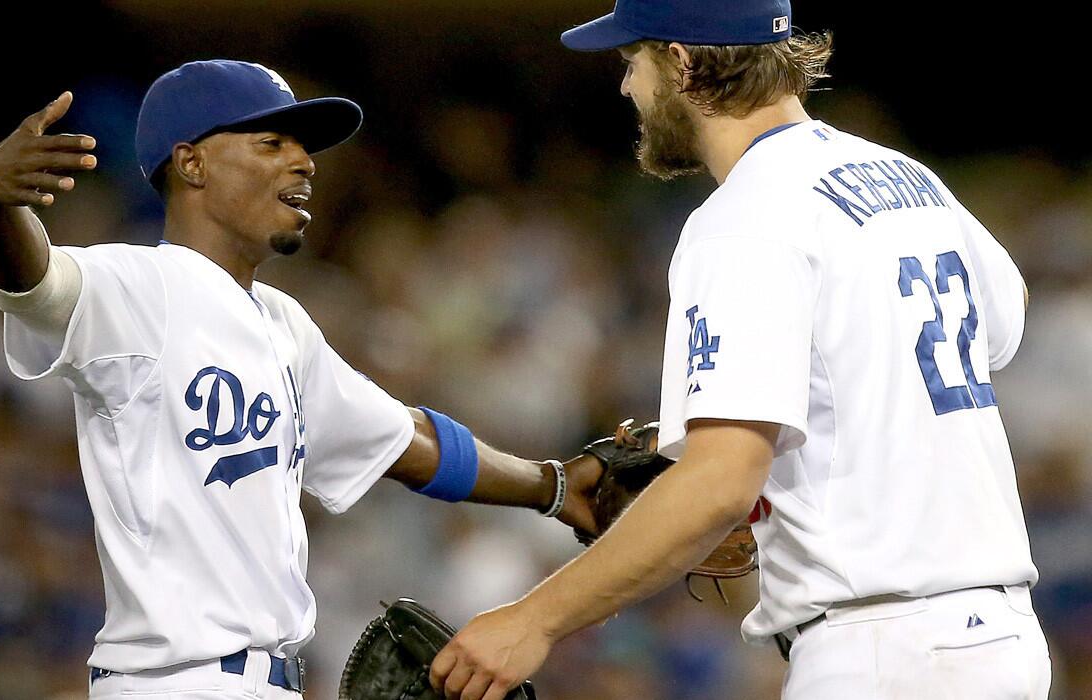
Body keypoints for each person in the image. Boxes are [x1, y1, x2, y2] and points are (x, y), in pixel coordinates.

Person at [430, 1, 1052, 698]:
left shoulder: (743, 216)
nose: (627, 87)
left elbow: (722, 484)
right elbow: (1008, 309)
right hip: (1001, 642)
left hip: (885, 650)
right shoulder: (906, 177)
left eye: (634, 61)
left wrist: (534, 620)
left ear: (684, 62)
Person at [0, 59, 600, 700]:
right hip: (173, 682)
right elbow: (35, 286)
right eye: (272, 143)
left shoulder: (282, 322)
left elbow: (404, 441)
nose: (304, 162)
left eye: (303, 147)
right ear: (192, 164)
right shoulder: (138, 285)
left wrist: (552, 487)